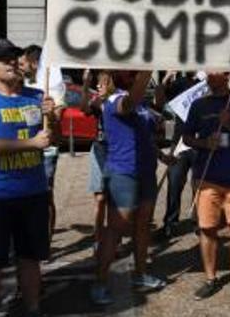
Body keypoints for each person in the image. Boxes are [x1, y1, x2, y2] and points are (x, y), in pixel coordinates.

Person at [0, 39, 57, 317]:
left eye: (15, 57)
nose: (12, 62)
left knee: (30, 259)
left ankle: (32, 309)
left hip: (33, 192)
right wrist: (32, 144)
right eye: (4, 58)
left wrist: (50, 117)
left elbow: (48, 137)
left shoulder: (36, 96)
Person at [90, 70, 166, 305]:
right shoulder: (113, 100)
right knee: (115, 230)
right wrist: (148, 68)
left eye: (136, 71)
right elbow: (129, 103)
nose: (133, 74)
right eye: (130, 71)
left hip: (145, 172)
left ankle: (140, 274)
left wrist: (160, 155)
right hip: (123, 173)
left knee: (143, 227)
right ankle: (101, 283)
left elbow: (145, 135)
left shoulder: (142, 104)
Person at [183, 72, 230, 300]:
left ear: (225, 75)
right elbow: (186, 138)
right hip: (208, 176)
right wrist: (203, 142)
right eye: (209, 73)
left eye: (216, 72)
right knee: (207, 228)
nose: (211, 76)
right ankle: (210, 278)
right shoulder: (198, 105)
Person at [17, 45, 63, 243]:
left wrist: (50, 112)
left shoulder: (53, 86)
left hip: (46, 151)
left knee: (45, 196)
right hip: (24, 148)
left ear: (35, 63)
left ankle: (45, 240)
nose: (19, 67)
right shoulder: (21, 86)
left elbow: (57, 119)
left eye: (22, 63)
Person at [159, 71, 200, 240]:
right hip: (180, 142)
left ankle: (198, 220)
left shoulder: (206, 83)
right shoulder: (179, 83)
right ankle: (171, 221)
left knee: (199, 184)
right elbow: (160, 101)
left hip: (200, 142)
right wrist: (166, 77)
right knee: (174, 181)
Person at [80, 70, 114, 257]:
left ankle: (114, 240)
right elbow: (83, 109)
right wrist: (85, 84)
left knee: (116, 200)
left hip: (117, 153)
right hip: (100, 150)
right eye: (98, 83)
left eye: (104, 83)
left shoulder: (119, 101)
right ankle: (98, 240)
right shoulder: (96, 101)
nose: (100, 86)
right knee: (100, 199)